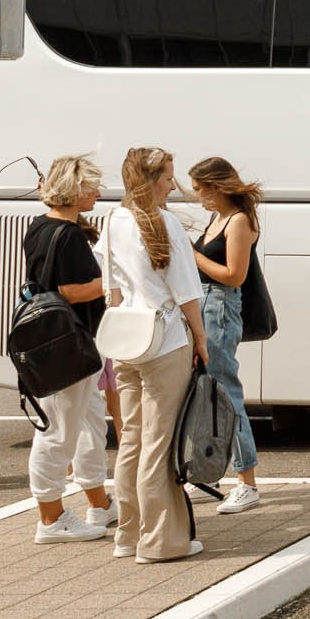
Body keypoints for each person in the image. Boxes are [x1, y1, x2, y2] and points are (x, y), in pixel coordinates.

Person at [102, 147, 209, 563]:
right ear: (150, 179)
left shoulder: (112, 220)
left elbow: (109, 286)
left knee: (131, 438)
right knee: (160, 442)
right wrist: (200, 339)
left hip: (125, 338)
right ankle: (161, 540)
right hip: (163, 339)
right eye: (166, 175)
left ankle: (127, 535)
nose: (172, 182)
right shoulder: (165, 223)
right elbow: (186, 290)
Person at [22, 155, 114, 541]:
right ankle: (51, 518)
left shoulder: (39, 226)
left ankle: (100, 505)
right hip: (71, 345)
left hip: (60, 342)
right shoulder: (71, 235)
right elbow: (70, 291)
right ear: (75, 190)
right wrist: (112, 280)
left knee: (90, 423)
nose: (98, 192)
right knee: (58, 430)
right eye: (92, 186)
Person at [186, 157, 264, 514]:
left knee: (225, 390)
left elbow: (234, 275)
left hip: (219, 307)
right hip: (205, 306)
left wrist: (193, 255)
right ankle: (209, 473)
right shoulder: (218, 219)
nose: (197, 196)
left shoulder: (239, 221)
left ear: (216, 186)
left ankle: (246, 480)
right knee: (205, 391)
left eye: (200, 189)